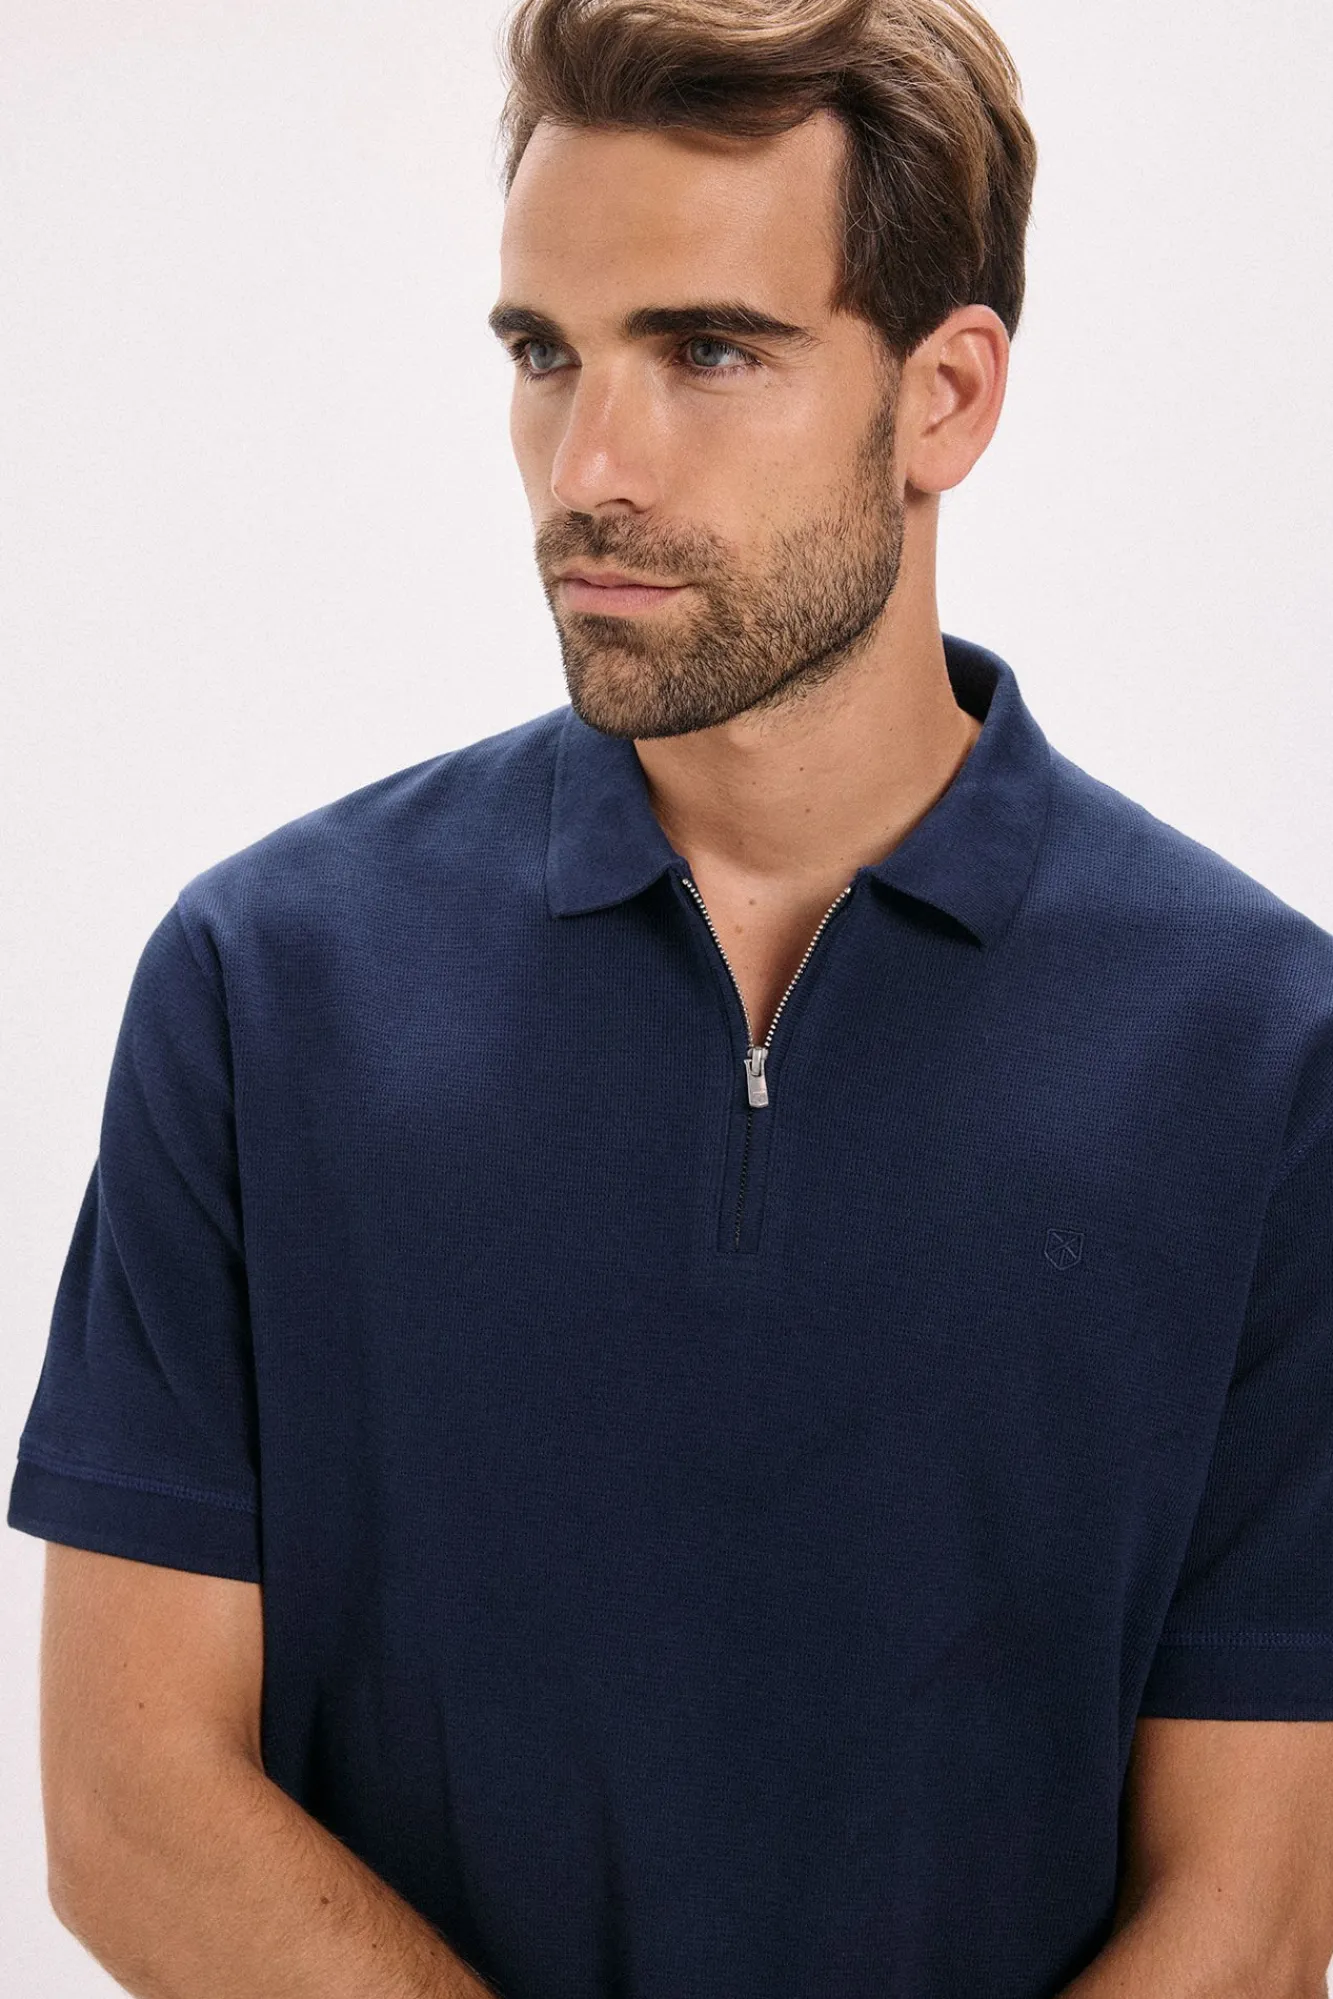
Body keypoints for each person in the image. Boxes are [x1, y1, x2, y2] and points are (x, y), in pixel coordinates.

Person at [10, 0, 1333, 1993]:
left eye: (708, 351)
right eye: (545, 354)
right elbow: (129, 1809)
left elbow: (1253, 1912)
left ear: (946, 398)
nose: (589, 468)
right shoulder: (266, 986)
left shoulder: (1263, 1057)